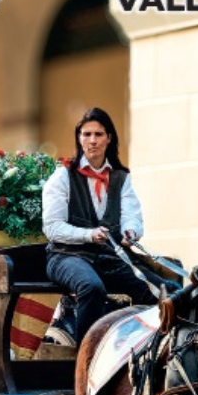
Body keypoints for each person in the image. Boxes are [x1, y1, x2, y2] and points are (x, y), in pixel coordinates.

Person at [42, 107, 163, 345]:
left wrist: (131, 232)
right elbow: (52, 228)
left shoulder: (120, 178)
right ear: (79, 138)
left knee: (157, 291)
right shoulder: (62, 177)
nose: (92, 141)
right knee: (91, 287)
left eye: (98, 134)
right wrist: (88, 235)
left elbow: (132, 216)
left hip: (108, 258)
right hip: (66, 256)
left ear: (109, 138)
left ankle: (140, 354)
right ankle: (86, 359)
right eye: (86, 134)